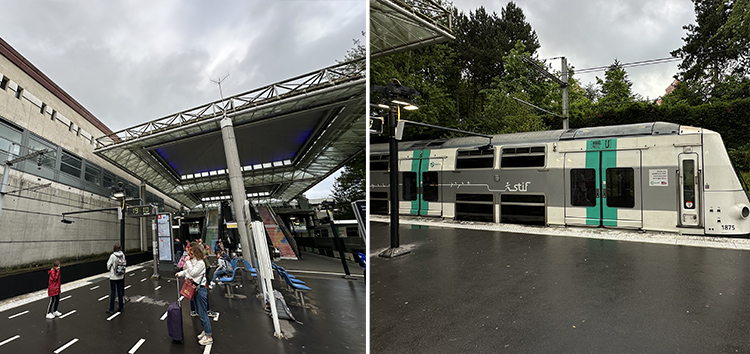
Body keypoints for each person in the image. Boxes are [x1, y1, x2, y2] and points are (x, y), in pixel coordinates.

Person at [176, 243, 213, 345]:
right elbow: (188, 271)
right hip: (196, 289)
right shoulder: (195, 262)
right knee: (199, 312)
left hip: (200, 289)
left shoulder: (200, 263)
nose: (189, 255)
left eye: (191, 253)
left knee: (203, 312)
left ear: (196, 253)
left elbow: (192, 273)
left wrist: (187, 262)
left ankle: (208, 335)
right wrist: (180, 274)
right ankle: (205, 331)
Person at [106, 244, 126, 314]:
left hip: (113, 277)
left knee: (113, 292)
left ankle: (111, 309)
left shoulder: (113, 256)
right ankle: (121, 307)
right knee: (120, 292)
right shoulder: (123, 255)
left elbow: (108, 265)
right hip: (121, 276)